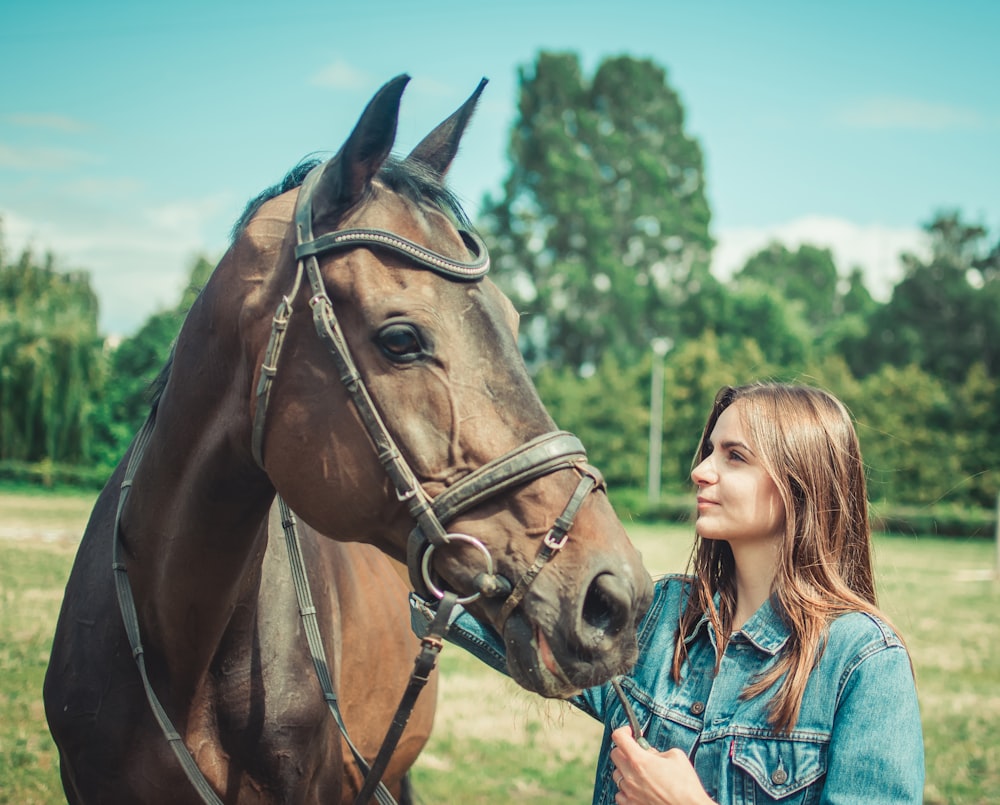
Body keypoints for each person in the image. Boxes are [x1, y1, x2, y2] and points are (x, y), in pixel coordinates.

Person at [412, 382, 925, 804]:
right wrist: (405, 548)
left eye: (736, 457)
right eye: (709, 452)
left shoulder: (863, 662)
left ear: (801, 485)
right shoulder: (665, 614)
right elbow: (517, 618)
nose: (700, 471)